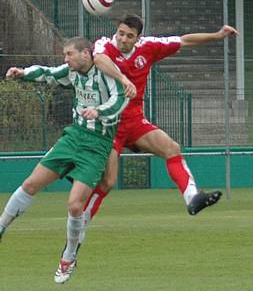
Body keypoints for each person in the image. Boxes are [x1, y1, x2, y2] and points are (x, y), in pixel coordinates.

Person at [0, 37, 129, 284]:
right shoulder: (72, 72)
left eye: (69, 54)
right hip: (73, 137)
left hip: (97, 145)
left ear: (86, 54)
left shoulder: (106, 73)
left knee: (75, 206)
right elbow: (47, 73)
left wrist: (99, 111)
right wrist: (23, 73)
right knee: (31, 184)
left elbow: (120, 99)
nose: (66, 59)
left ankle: (69, 256)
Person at [82, 14, 239, 231]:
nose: (123, 39)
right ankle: (79, 222)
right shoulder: (104, 44)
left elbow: (184, 40)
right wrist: (123, 79)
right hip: (109, 123)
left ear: (138, 38)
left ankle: (192, 198)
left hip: (135, 121)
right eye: (120, 33)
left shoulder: (149, 47)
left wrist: (217, 35)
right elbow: (99, 59)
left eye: (129, 36)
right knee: (108, 181)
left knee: (172, 148)